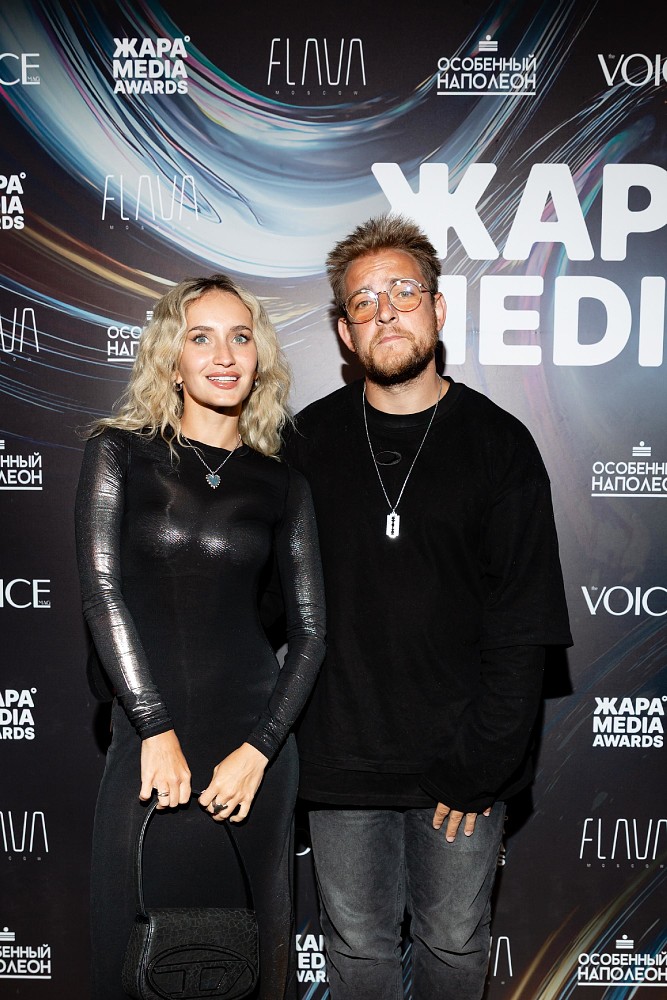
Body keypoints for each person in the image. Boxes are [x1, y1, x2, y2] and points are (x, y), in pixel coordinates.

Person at [283, 215, 572, 1000]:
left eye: (403, 292)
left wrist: (478, 769)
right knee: (356, 951)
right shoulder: (303, 444)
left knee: (451, 943)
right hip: (339, 763)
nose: (385, 312)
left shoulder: (499, 445)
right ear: (344, 333)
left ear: (437, 310)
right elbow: (263, 596)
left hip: (462, 766)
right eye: (363, 301)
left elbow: (523, 628)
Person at [75, 274, 326, 1000]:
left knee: (251, 965)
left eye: (240, 338)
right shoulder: (121, 455)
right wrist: (154, 727)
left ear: (259, 356)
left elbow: (310, 632)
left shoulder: (282, 485)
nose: (224, 355)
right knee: (133, 963)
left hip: (254, 753)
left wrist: (260, 750)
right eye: (201, 337)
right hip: (150, 742)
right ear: (172, 358)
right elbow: (102, 595)